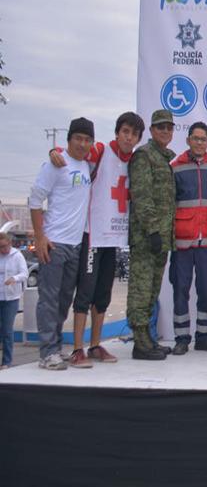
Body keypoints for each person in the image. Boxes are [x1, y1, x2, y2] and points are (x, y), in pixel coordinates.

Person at [49, 112, 145, 366]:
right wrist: (54, 151)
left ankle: (95, 345)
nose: (129, 137)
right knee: (85, 293)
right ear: (117, 132)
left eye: (134, 134)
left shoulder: (135, 161)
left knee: (103, 295)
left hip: (114, 239)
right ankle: (77, 349)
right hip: (93, 235)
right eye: (125, 132)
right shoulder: (101, 151)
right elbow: (74, 153)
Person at [30, 117, 94, 370]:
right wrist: (40, 236)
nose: (82, 144)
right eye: (78, 138)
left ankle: (55, 347)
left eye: (87, 139)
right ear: (69, 139)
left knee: (64, 299)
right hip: (54, 243)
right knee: (49, 299)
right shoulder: (55, 164)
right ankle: (47, 352)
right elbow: (35, 200)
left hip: (75, 245)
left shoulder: (87, 165)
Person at [127, 110, 177, 360]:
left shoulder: (163, 158)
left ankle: (148, 338)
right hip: (146, 237)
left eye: (169, 127)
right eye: (160, 127)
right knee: (141, 288)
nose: (165, 131)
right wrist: (153, 230)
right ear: (152, 130)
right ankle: (140, 342)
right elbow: (142, 196)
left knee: (153, 289)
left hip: (162, 238)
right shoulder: (144, 156)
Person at [169, 122, 207, 354]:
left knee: (205, 289)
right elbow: (170, 201)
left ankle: (204, 336)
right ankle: (181, 337)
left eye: (203, 139)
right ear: (188, 140)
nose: (199, 142)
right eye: (195, 138)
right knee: (180, 288)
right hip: (182, 240)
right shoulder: (175, 167)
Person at [0, 232, 29, 369]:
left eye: (4, 246)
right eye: (0, 247)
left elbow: (24, 274)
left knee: (7, 330)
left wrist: (14, 278)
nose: (3, 250)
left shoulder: (17, 256)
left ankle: (6, 361)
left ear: (9, 244)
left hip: (11, 298)